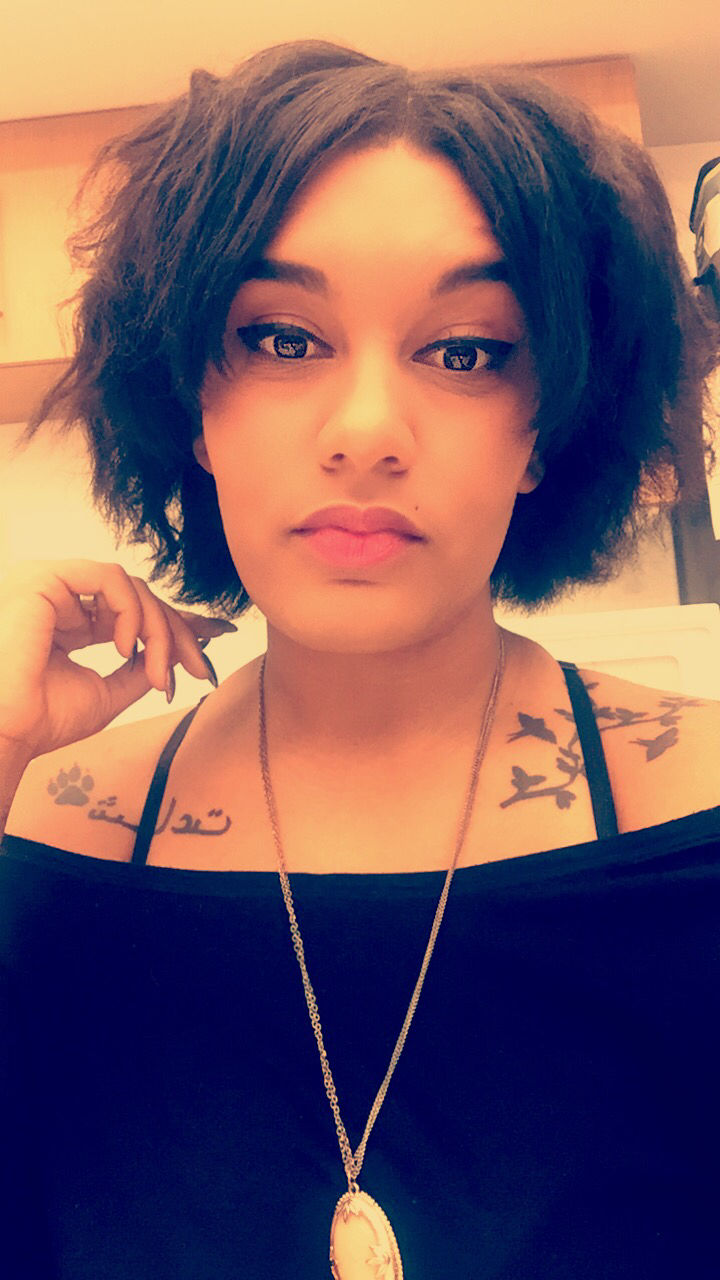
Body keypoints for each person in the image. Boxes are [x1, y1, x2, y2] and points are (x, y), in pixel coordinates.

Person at [1, 37, 719, 1280]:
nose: (368, 430)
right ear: (194, 408)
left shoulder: (697, 816)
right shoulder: (39, 835)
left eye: (466, 349)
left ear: (546, 430)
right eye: (283, 338)